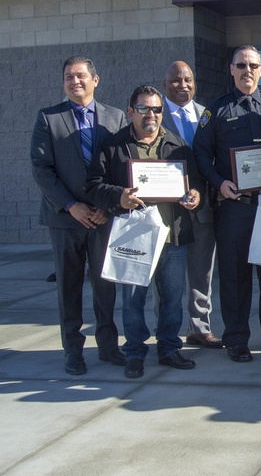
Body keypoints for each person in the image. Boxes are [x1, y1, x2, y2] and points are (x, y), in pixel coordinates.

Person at [85, 86, 203, 378]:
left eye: (157, 109)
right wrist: (118, 197)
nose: (151, 115)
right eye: (144, 109)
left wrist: (195, 195)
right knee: (133, 299)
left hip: (172, 236)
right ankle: (135, 353)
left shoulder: (178, 146)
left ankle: (169, 348)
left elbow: (197, 181)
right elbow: (93, 186)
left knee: (172, 297)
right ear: (130, 111)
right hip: (134, 235)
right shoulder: (113, 146)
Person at [193, 45, 261, 363]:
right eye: (241, 65)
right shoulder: (216, 111)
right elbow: (201, 155)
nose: (247, 70)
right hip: (235, 206)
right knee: (235, 274)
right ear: (231, 69)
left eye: (253, 65)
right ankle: (236, 337)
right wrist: (219, 182)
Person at [30, 56, 128, 376]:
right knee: (68, 288)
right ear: (64, 83)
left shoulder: (114, 118)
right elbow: (41, 170)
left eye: (81, 76)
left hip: (103, 218)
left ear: (95, 80)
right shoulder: (48, 119)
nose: (76, 81)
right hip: (66, 219)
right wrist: (72, 205)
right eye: (69, 77)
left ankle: (109, 346)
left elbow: (123, 167)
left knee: (105, 286)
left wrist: (108, 206)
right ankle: (73, 350)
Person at [160, 61, 222, 349]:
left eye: (187, 79)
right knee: (167, 280)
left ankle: (199, 328)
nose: (182, 85)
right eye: (176, 80)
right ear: (165, 84)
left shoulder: (207, 115)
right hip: (165, 213)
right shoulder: (154, 115)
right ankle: (166, 332)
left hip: (202, 208)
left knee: (202, 273)